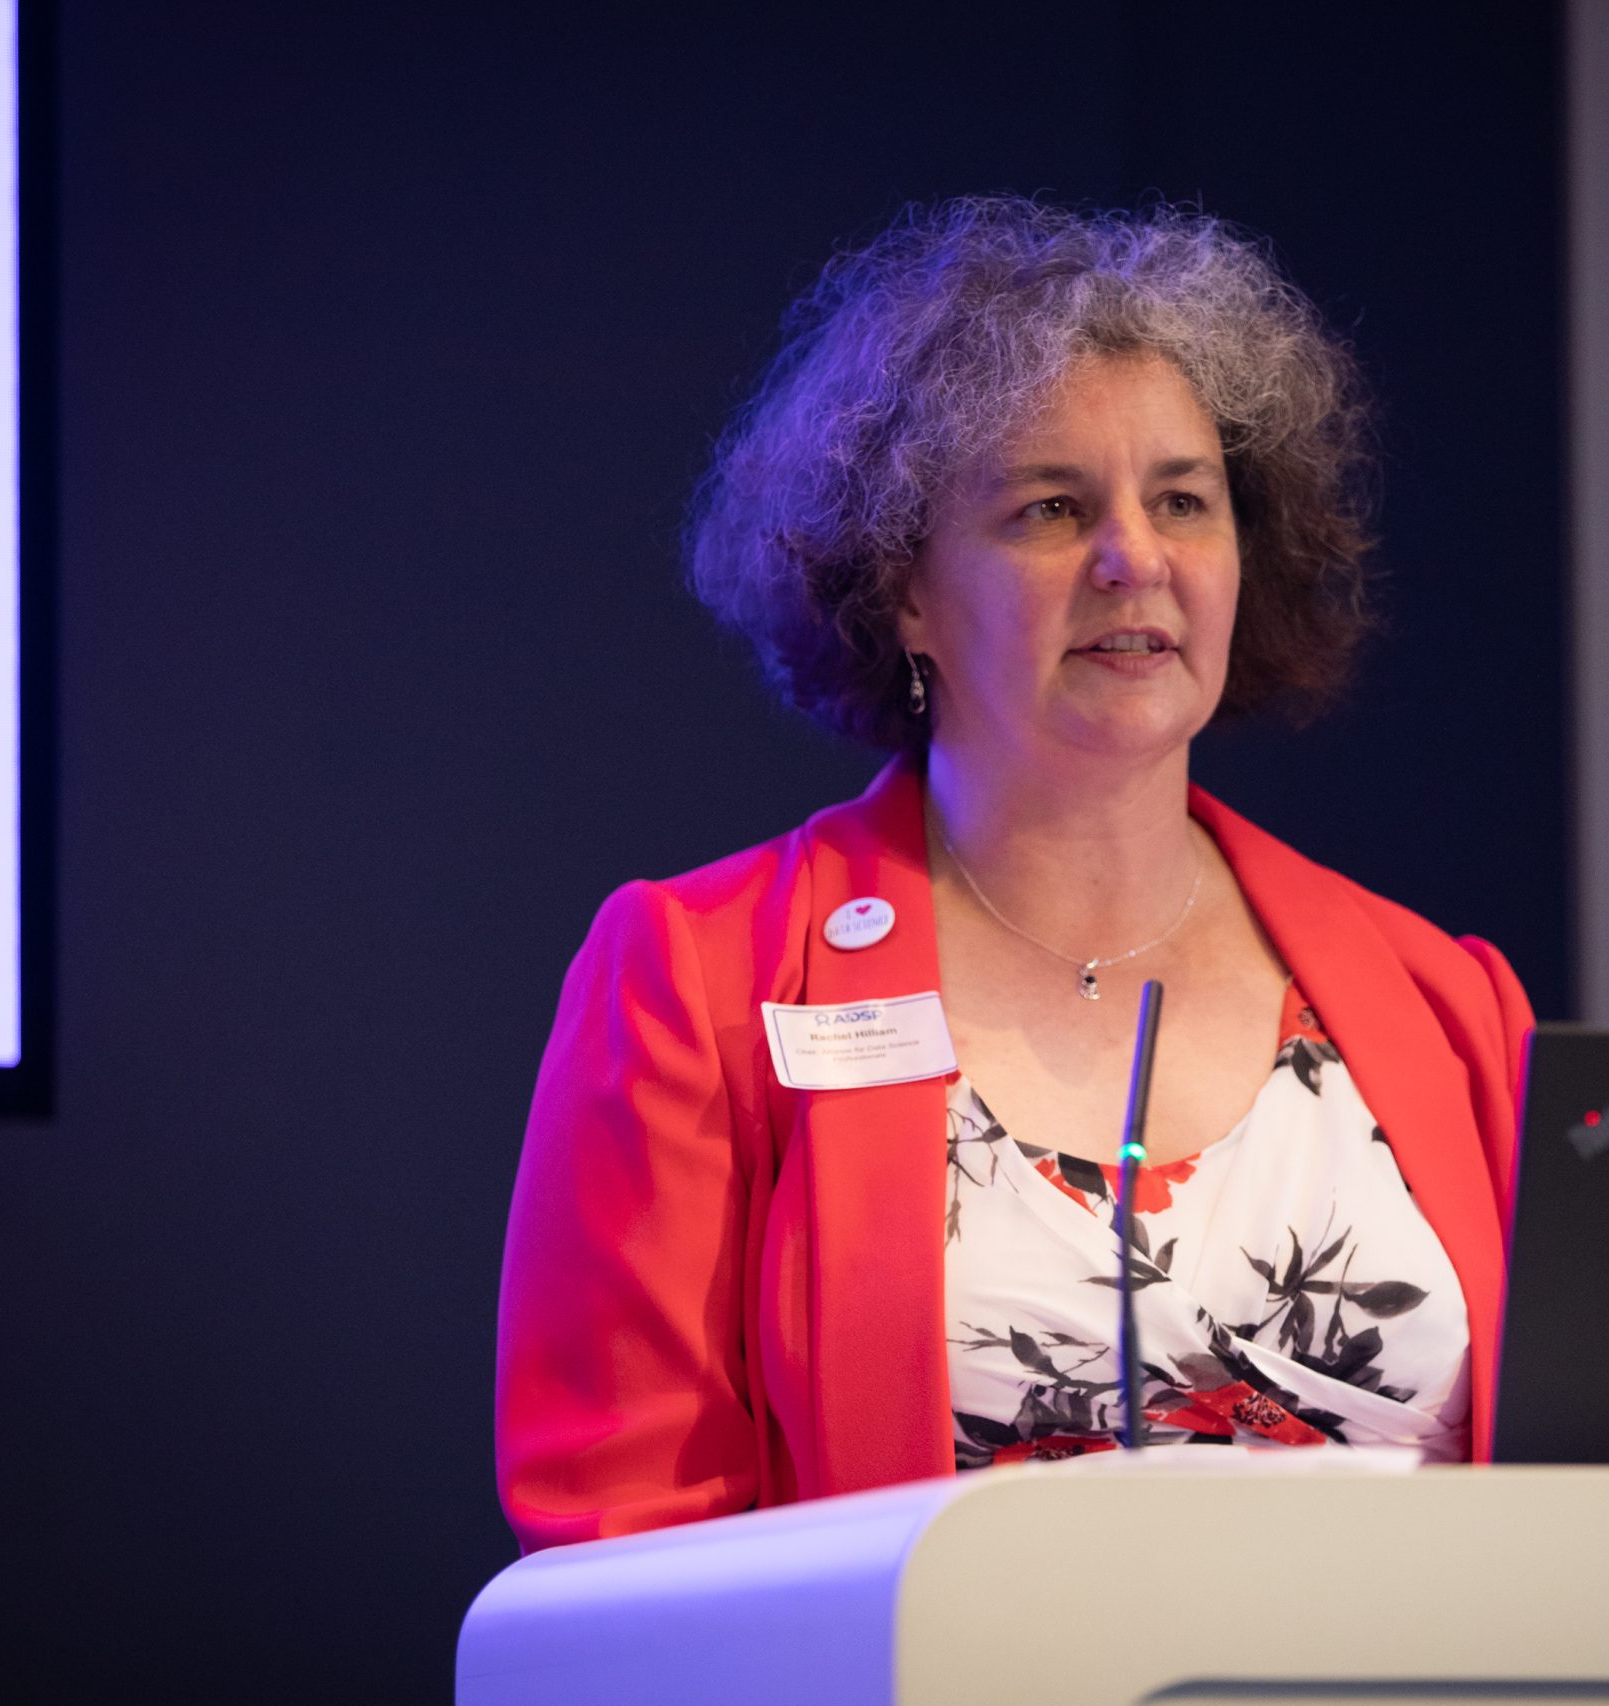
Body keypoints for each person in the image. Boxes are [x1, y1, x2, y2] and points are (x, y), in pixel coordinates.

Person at [495, 198, 1534, 1552]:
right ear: (905, 591)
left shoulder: (1445, 1001)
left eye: (1183, 499)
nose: (1134, 556)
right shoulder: (696, 982)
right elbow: (616, 1557)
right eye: (1051, 507)